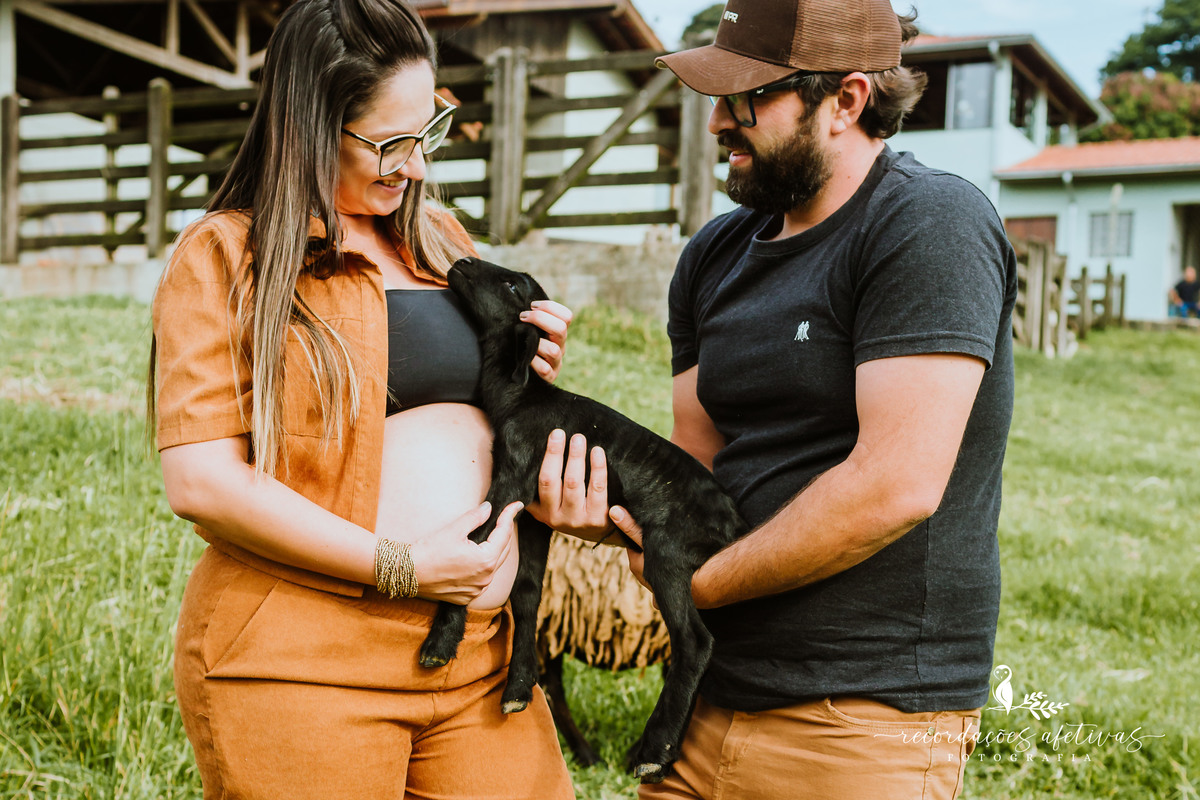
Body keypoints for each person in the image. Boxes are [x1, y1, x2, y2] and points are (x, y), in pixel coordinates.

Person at [148, 0, 599, 795]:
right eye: (390, 143)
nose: (417, 166)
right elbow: (202, 483)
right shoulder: (224, 258)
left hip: (477, 660)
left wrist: (529, 380)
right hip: (303, 667)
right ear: (309, 125)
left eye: (426, 134)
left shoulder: (442, 242)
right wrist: (403, 565)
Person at [604, 1, 1019, 798]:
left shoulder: (927, 224)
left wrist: (693, 585)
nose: (720, 121)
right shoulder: (714, 255)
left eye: (746, 98)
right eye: (718, 95)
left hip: (861, 718)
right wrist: (598, 498)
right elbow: (697, 467)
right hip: (706, 694)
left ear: (848, 100)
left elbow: (893, 487)